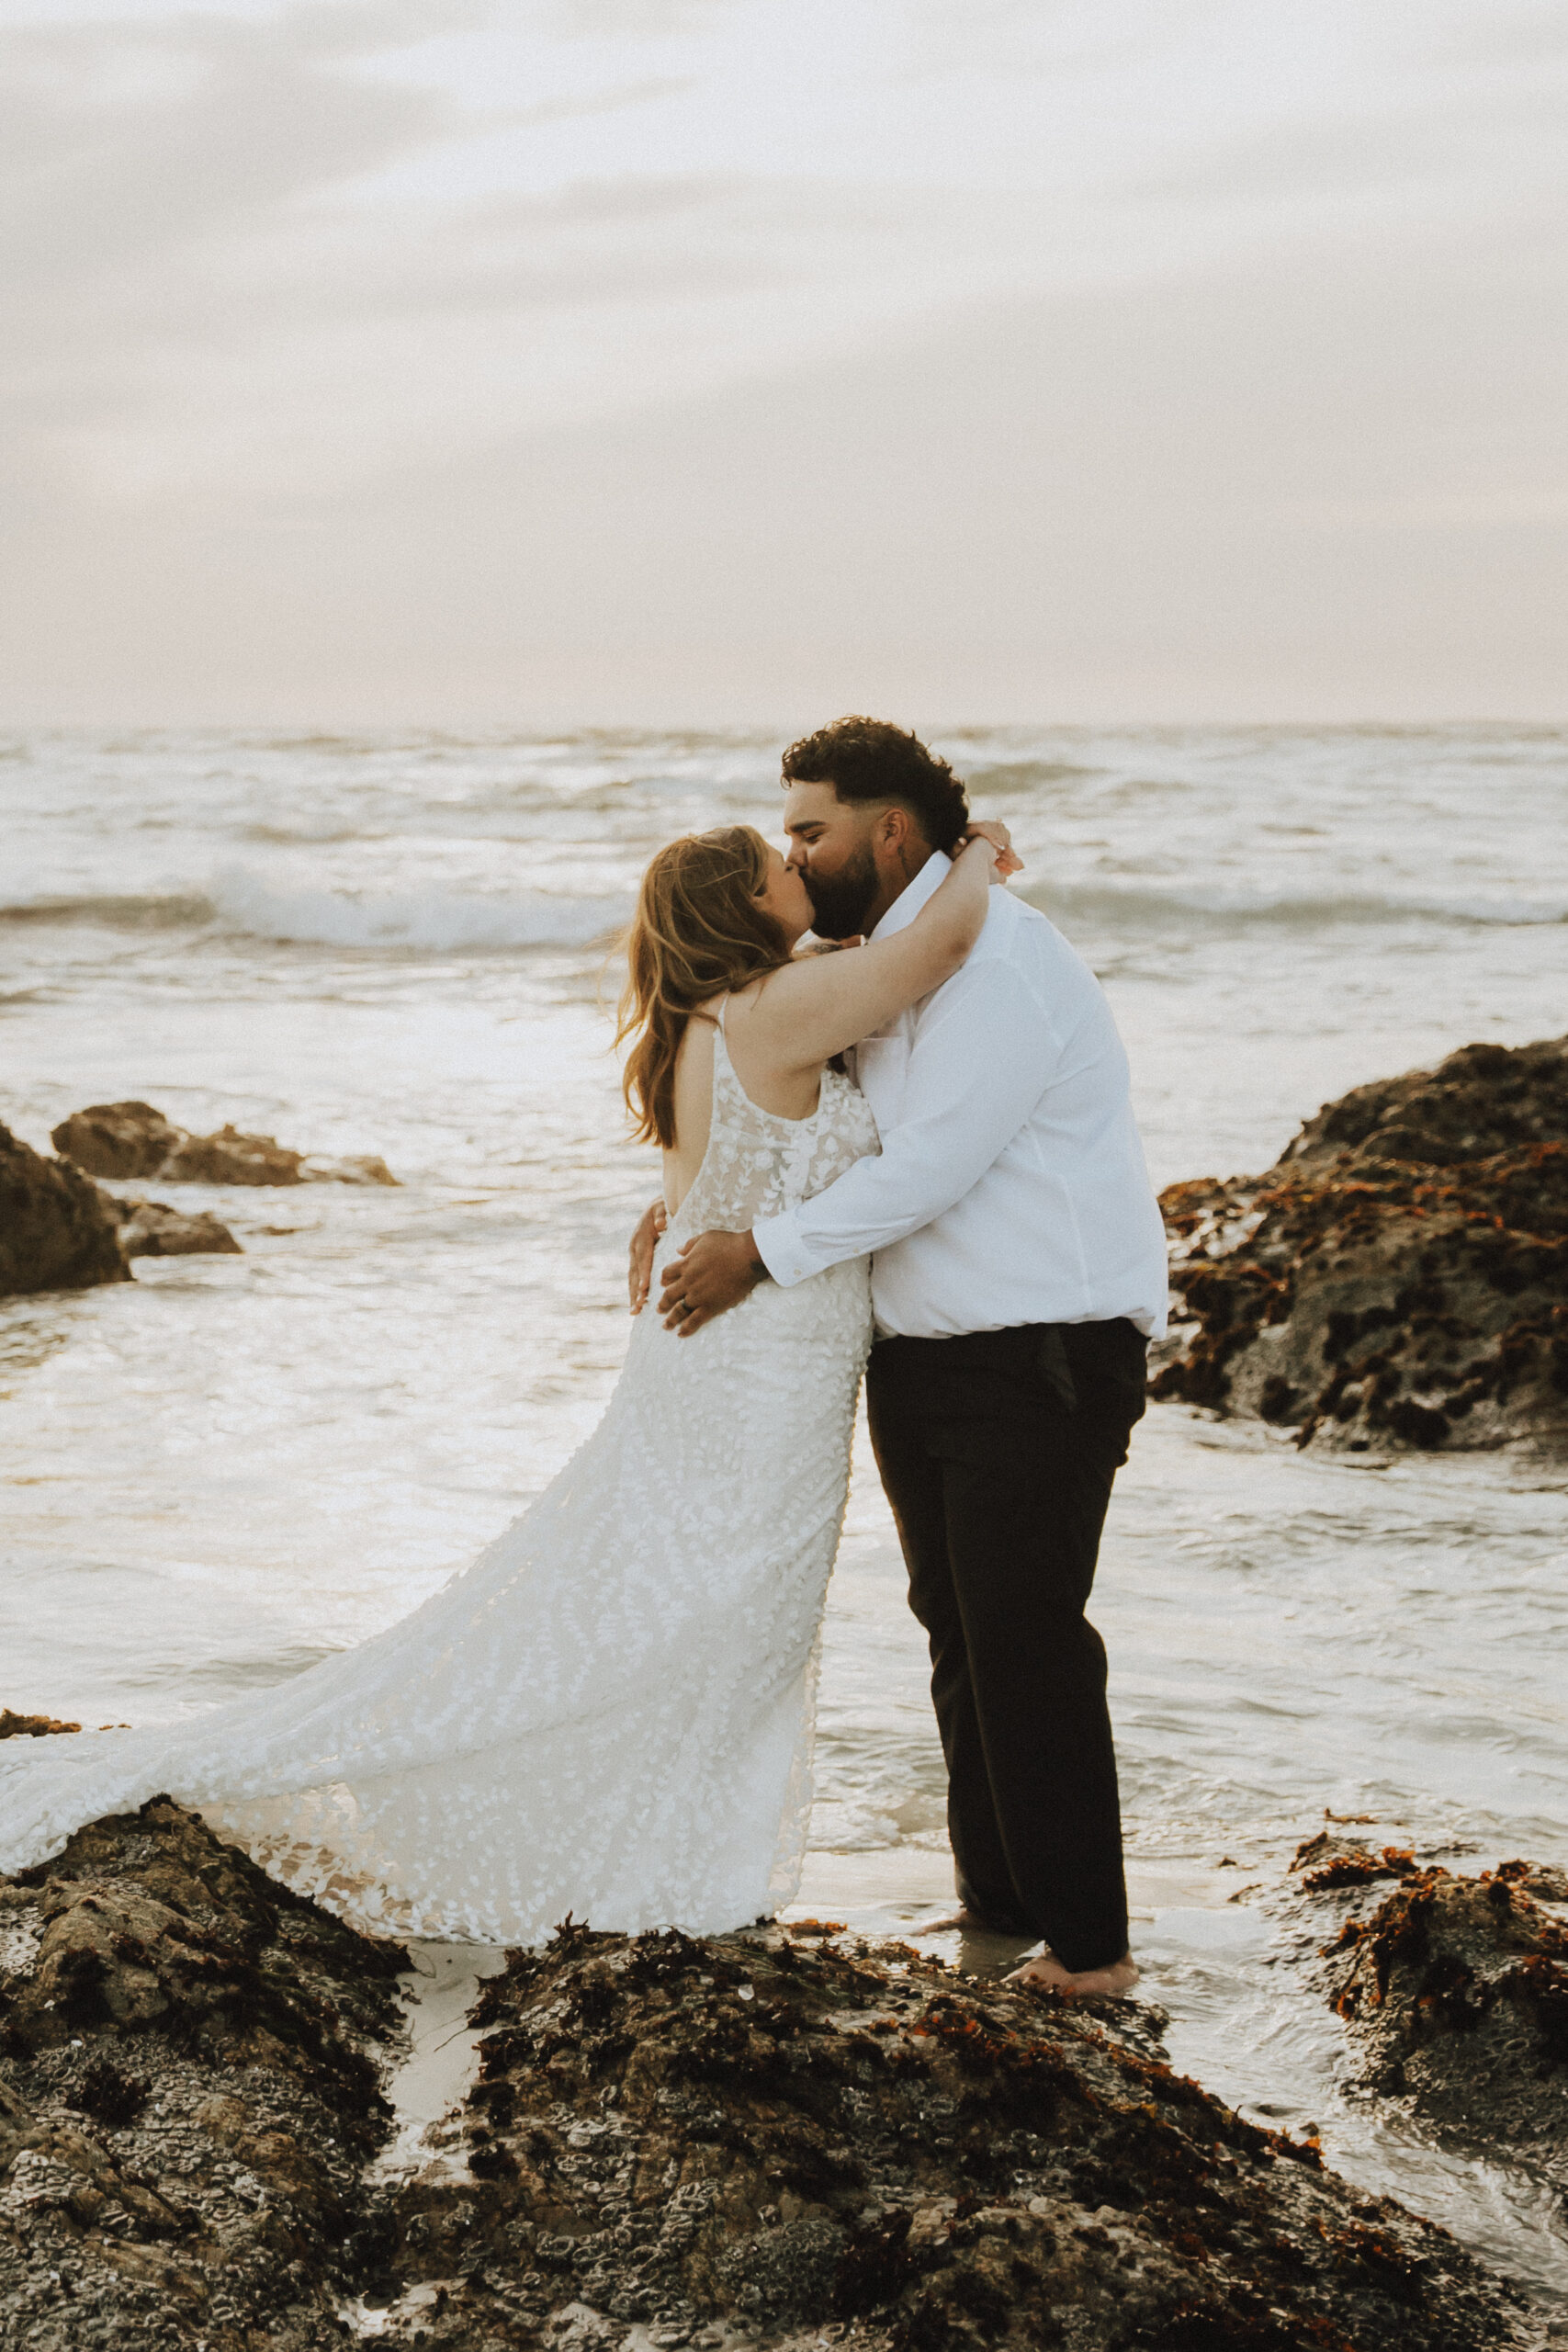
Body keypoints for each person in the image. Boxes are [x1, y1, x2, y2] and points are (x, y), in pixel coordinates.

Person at [0, 819, 1006, 1949]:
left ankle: (676, 1870)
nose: (797, 865)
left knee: (690, 1623)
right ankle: (670, 1885)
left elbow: (745, 1148)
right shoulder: (773, 1013)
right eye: (778, 865)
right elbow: (939, 949)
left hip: (732, 1369)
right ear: (740, 905)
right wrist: (977, 849)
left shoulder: (722, 1016)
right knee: (720, 1627)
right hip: (753, 1385)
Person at [650, 718, 1168, 1996]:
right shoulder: (879, 956)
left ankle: (1090, 1953)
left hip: (1038, 1348)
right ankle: (1002, 1912)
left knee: (1026, 1638)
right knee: (956, 1631)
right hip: (922, 1354)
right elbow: (807, 1119)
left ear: (887, 832)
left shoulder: (995, 961)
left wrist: (756, 1251)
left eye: (809, 832)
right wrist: (688, 1201)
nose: (794, 854)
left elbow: (928, 1166)